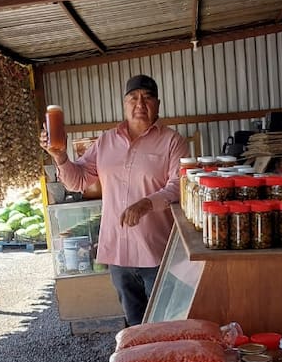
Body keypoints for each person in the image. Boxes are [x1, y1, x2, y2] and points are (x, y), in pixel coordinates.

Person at [41, 74, 188, 326]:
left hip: (157, 253)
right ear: (124, 104)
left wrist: (146, 203)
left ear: (158, 105)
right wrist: (60, 156)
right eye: (133, 98)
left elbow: (178, 186)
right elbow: (78, 181)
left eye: (147, 98)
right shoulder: (106, 141)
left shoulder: (173, 142)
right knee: (134, 324)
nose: (140, 104)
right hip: (119, 254)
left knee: (166, 324)